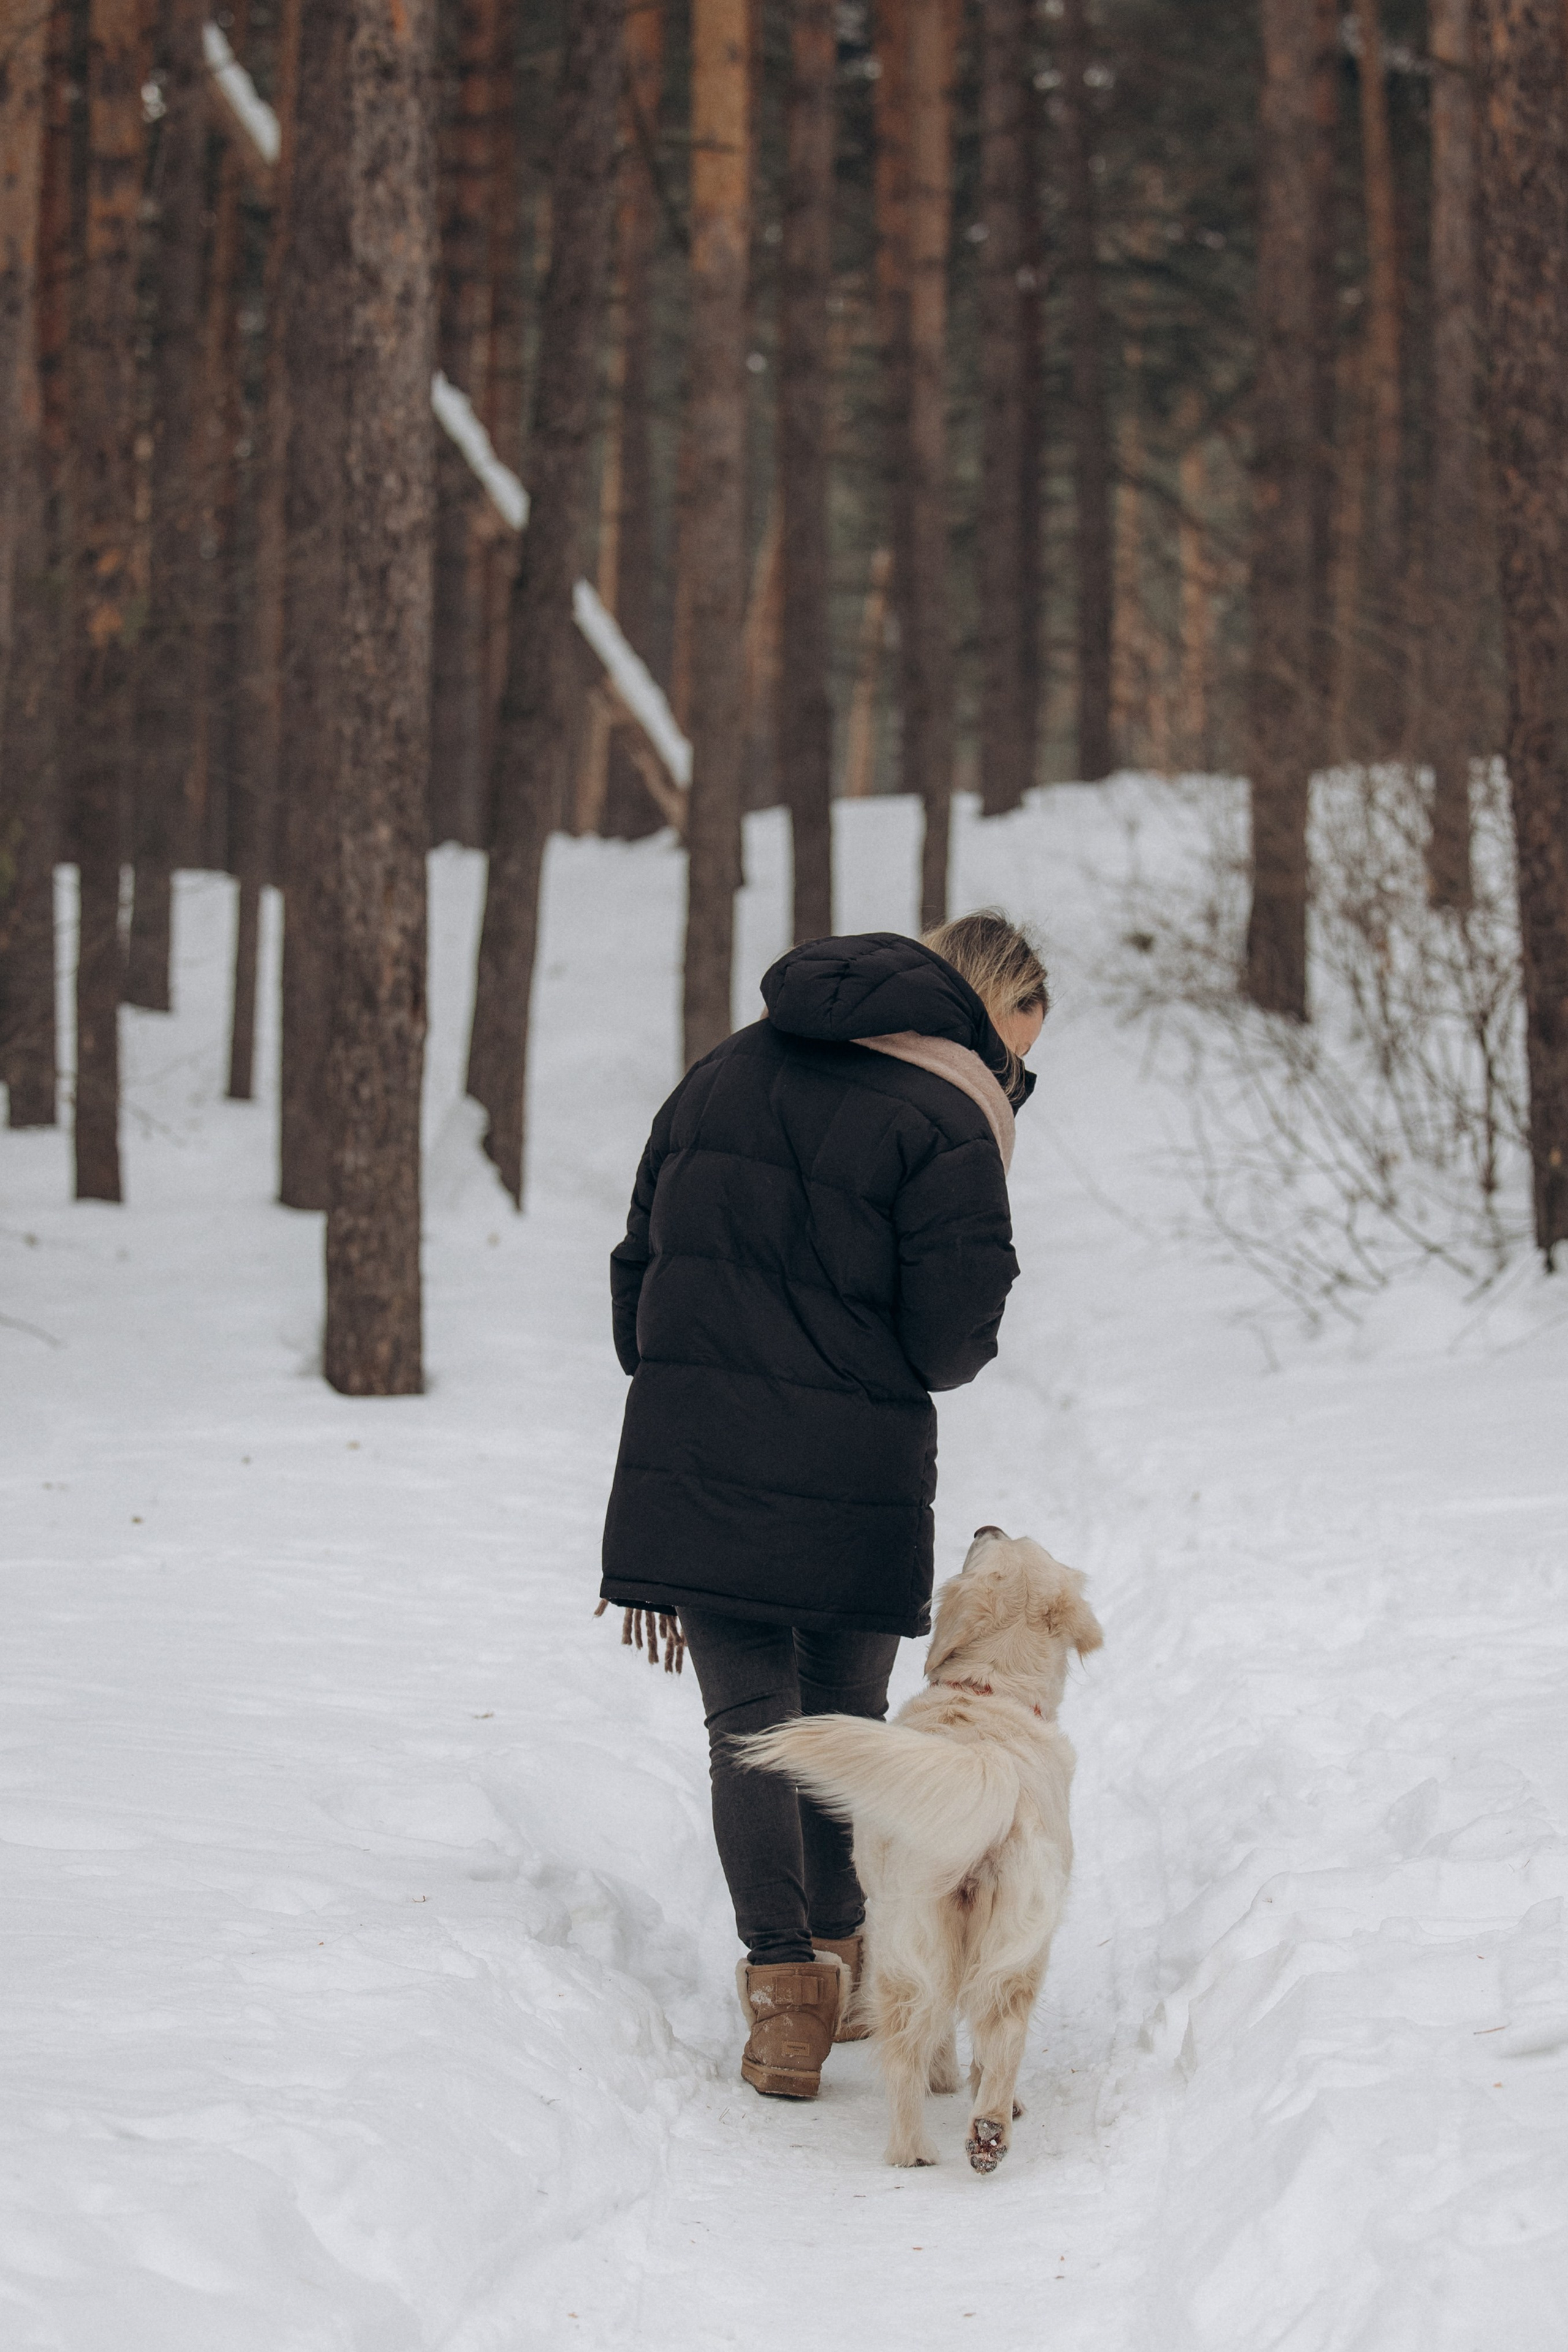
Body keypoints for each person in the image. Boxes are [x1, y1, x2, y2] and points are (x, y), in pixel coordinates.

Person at [600, 911, 1049, 2099]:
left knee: (747, 1721)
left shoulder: (721, 1070)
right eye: (1016, 1062)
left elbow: (634, 1258)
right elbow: (950, 1340)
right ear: (960, 1015)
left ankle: (785, 1999)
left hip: (693, 1450)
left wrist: (690, 1375)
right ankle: (849, 1952)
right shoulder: (945, 1113)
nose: (1013, 1083)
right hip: (856, 1458)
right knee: (843, 1713)